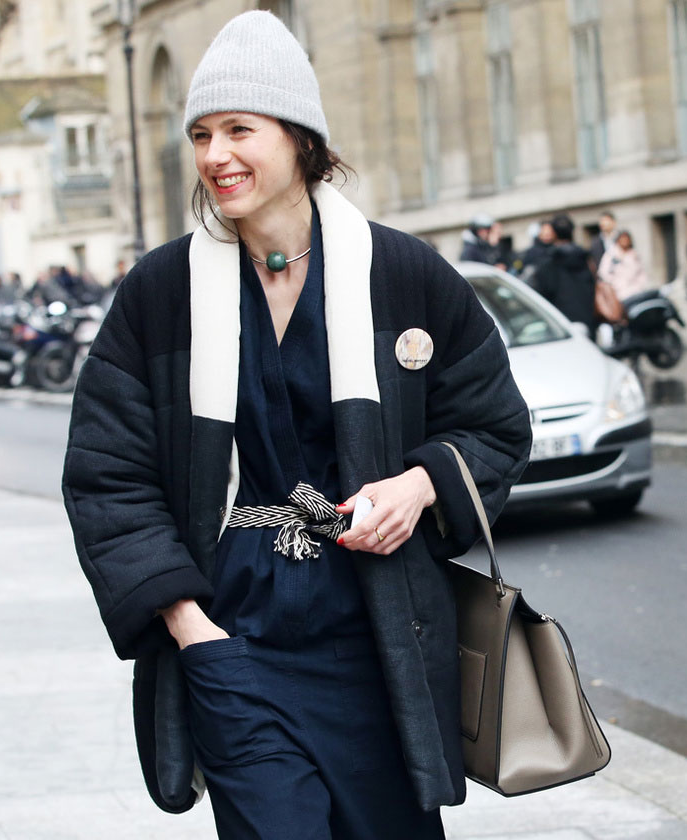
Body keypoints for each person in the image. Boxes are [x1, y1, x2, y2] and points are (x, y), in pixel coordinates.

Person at [61, 11, 531, 839]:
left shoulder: (404, 274)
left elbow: (494, 424)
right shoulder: (160, 294)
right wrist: (190, 629)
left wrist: (419, 487)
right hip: (233, 641)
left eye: (240, 129)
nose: (216, 156)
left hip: (379, 645)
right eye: (201, 134)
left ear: (302, 139)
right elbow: (106, 474)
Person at [533, 213, 598, 335]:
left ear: (553, 233)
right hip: (587, 320)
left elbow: (542, 293)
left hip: (560, 326)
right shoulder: (585, 257)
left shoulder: (548, 261)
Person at [596, 229, 650, 302]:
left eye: (626, 239)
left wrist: (639, 286)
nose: (624, 241)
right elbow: (603, 272)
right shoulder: (610, 255)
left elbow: (641, 274)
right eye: (622, 239)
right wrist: (614, 285)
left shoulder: (635, 255)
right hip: (616, 292)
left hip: (634, 292)